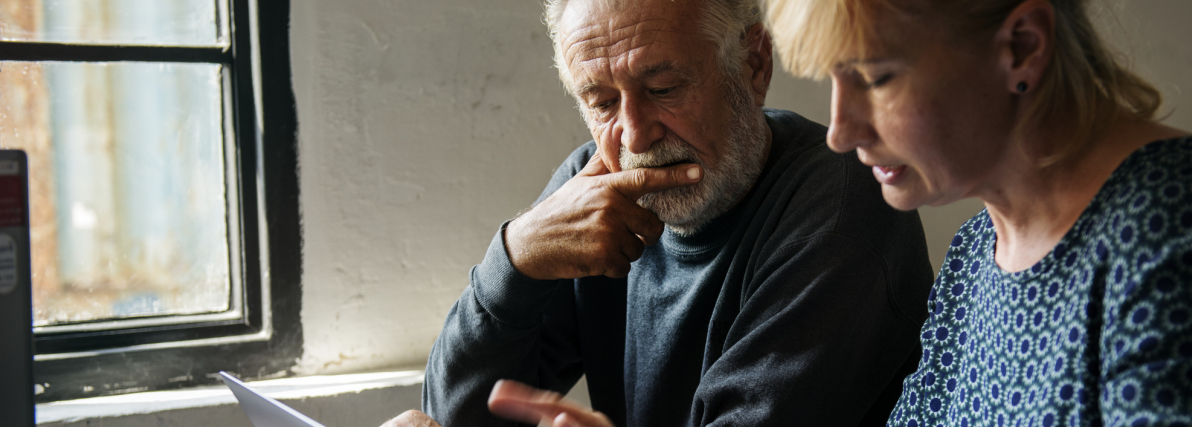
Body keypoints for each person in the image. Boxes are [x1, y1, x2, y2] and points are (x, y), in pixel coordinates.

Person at [468, 0, 1192, 425]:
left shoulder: (1186, 227)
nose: (840, 130)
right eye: (833, 81)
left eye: (876, 77)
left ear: (1022, 47)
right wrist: (512, 260)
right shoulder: (979, 255)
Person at [400, 0, 937, 425]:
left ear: (754, 65)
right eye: (602, 102)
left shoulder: (841, 213)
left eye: (663, 88)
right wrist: (514, 260)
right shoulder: (594, 192)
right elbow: (449, 418)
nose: (635, 136)